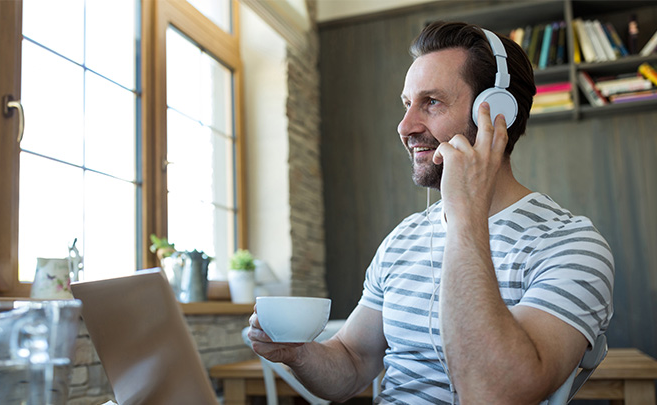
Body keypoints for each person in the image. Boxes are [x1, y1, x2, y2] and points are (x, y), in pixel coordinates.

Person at [247, 21, 614, 404]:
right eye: (407, 104)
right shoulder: (403, 239)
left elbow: (495, 393)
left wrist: (465, 217)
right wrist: (297, 354)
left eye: (432, 102)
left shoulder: (570, 245)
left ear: (497, 113)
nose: (406, 127)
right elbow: (353, 362)